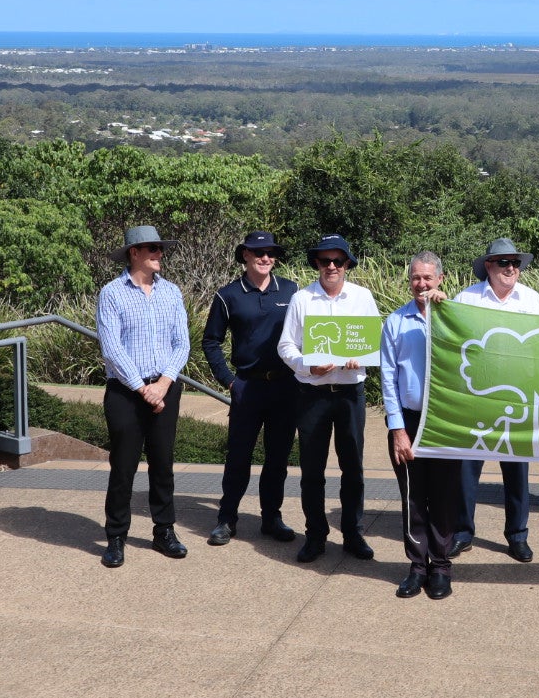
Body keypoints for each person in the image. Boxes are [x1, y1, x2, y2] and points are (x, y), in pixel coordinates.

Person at [277, 234, 381, 564]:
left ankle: (352, 532)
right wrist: (307, 364)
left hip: (350, 393)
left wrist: (360, 357)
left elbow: (374, 343)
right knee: (311, 470)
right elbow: (286, 346)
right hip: (313, 394)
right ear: (317, 264)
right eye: (325, 261)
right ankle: (316, 535)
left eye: (338, 260)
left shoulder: (363, 297)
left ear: (348, 263)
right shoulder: (302, 299)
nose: (331, 266)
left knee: (353, 468)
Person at [95, 225, 191, 569]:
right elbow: (112, 348)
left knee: (163, 464)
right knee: (123, 466)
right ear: (133, 253)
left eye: (160, 248)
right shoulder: (111, 293)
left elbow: (182, 343)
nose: (159, 253)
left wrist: (163, 384)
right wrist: (142, 388)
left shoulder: (171, 293)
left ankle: (164, 531)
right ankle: (116, 536)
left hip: (164, 389)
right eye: (152, 248)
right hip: (126, 392)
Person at [201, 230, 301, 547]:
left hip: (285, 386)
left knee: (277, 458)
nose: (265, 257)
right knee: (239, 457)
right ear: (244, 255)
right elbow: (211, 341)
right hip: (247, 386)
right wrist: (228, 380)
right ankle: (226, 518)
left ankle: (271, 517)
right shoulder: (228, 295)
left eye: (271, 252)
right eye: (258, 252)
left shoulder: (291, 290)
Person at [452, 239, 539, 563]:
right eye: (503, 262)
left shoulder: (533, 301)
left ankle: (517, 535)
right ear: (488, 266)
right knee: (466, 469)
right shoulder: (465, 299)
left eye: (515, 263)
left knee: (518, 472)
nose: (510, 268)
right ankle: (462, 532)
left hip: (519, 399)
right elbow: (450, 344)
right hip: (477, 399)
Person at [380, 252, 458, 599]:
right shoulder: (395, 322)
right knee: (413, 499)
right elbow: (388, 379)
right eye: (415, 278)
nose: (421, 284)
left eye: (427, 278)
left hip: (444, 421)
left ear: (440, 279)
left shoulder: (457, 320)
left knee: (442, 498)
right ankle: (416, 566)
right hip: (409, 420)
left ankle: (440, 567)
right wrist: (398, 430)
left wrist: (443, 313)